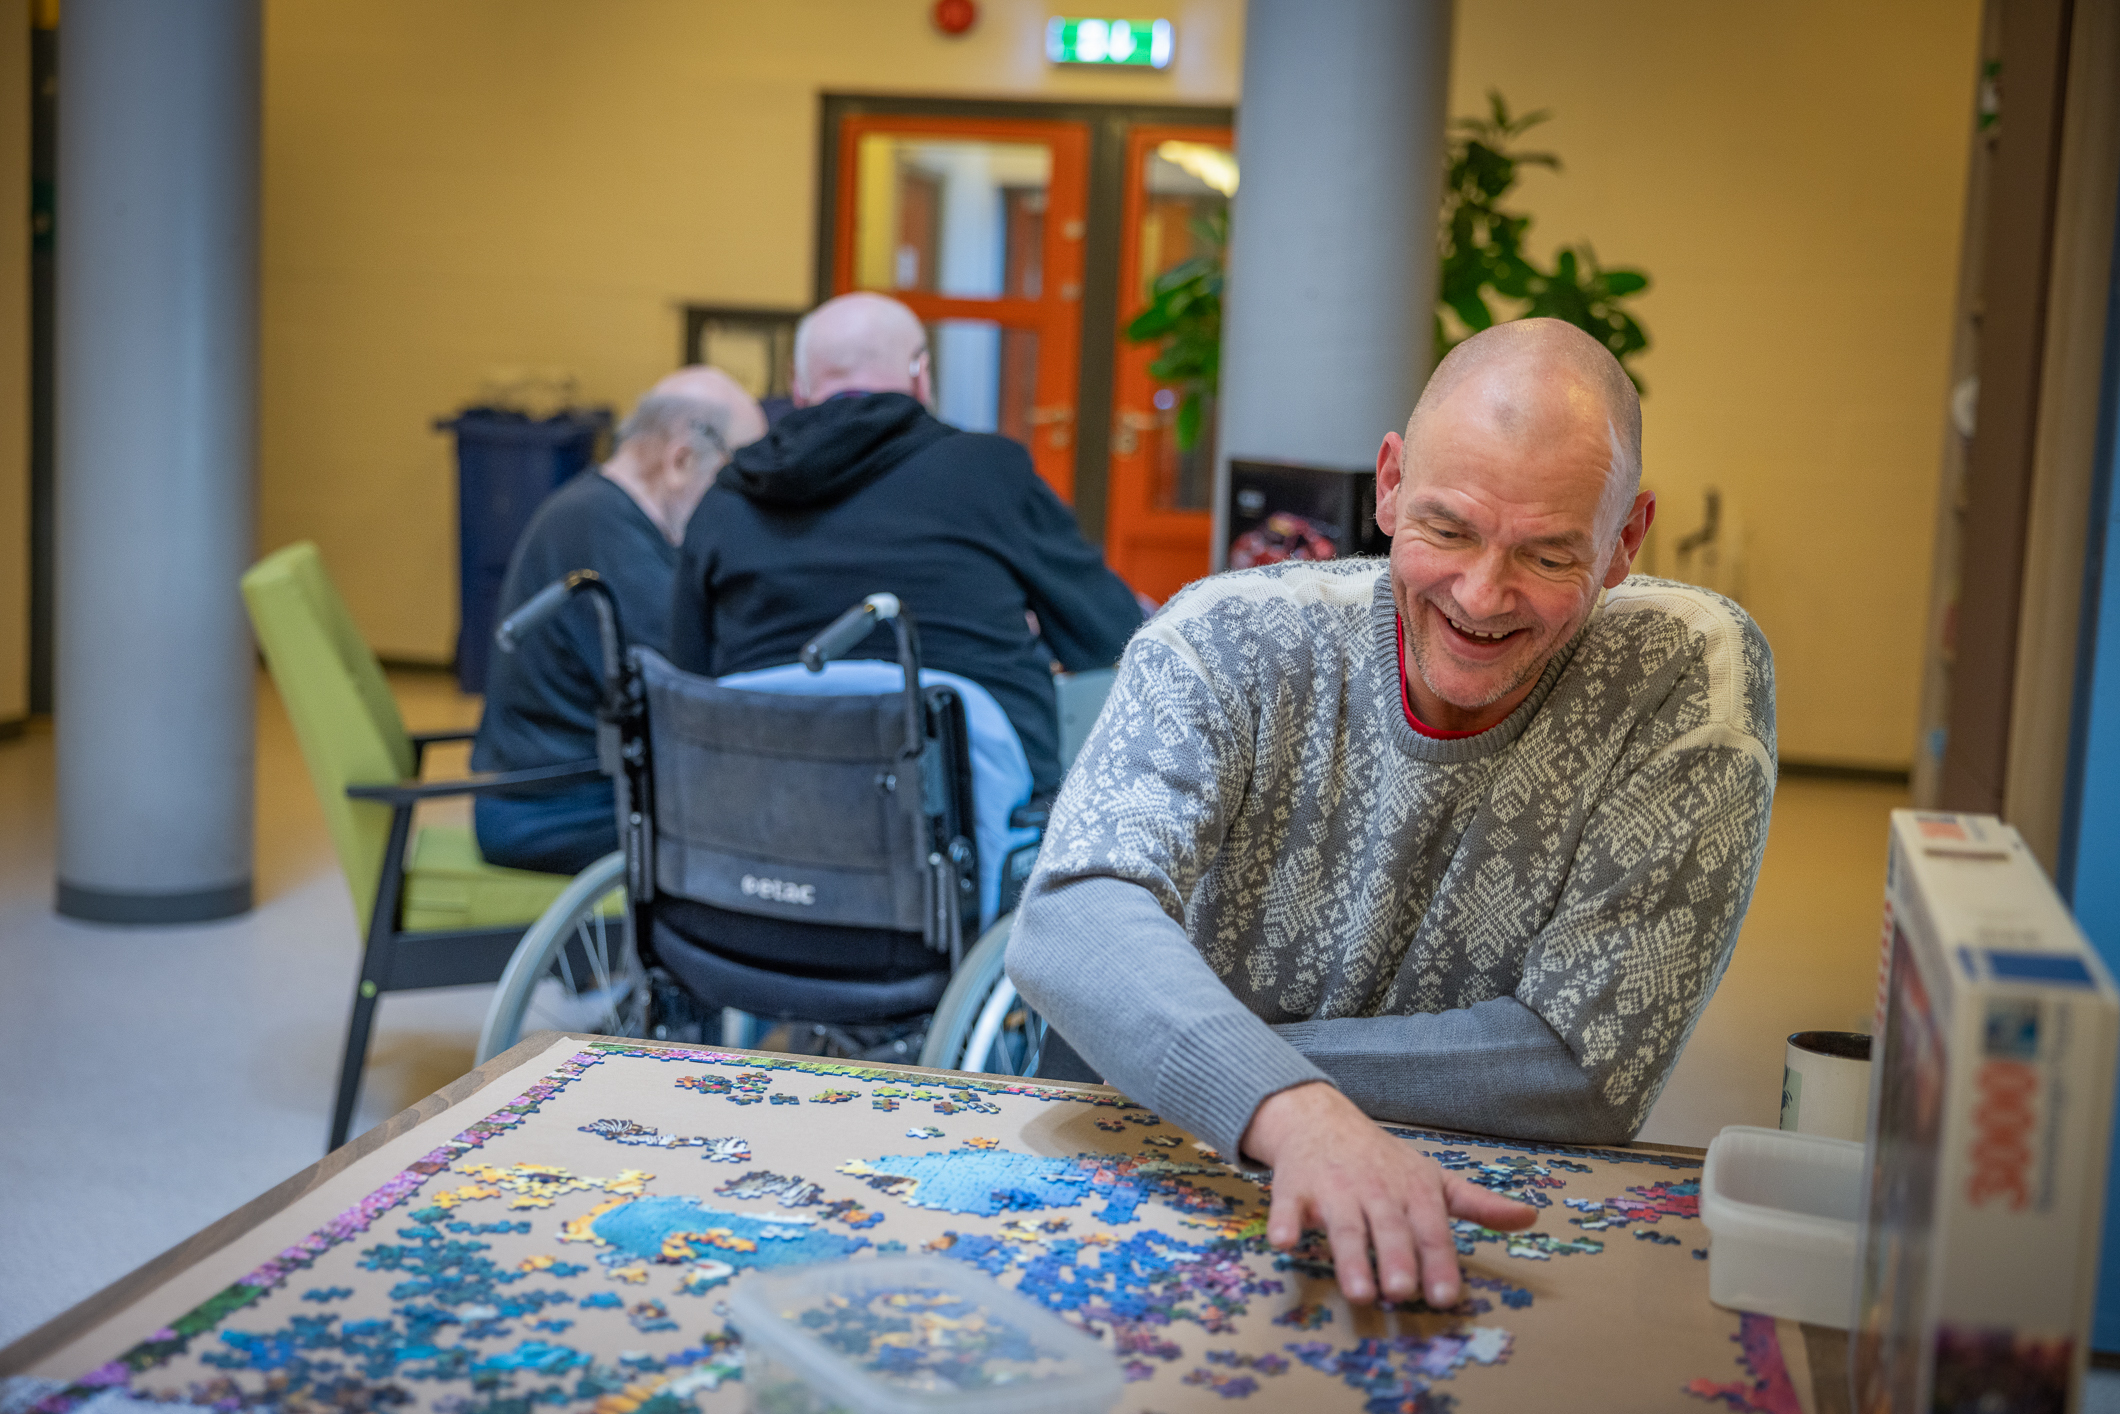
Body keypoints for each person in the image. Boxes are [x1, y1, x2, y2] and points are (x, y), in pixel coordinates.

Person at [1006, 319, 1777, 1311]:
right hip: (1158, 1175)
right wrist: (1288, 1112)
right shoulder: (1223, 636)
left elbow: (1582, 1066)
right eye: (1447, 531)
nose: (1481, 596)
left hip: (1445, 1209)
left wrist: (1223, 1072)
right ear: (1390, 484)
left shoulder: (1686, 675)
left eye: (1548, 556)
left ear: (1625, 539)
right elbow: (1072, 914)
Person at [668, 292, 1142, 799]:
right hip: (975, 821)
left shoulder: (725, 500)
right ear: (921, 374)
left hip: (767, 817)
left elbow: (684, 675)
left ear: (798, 385)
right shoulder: (989, 472)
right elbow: (1106, 633)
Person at [473, 366, 766, 875]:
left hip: (564, 794)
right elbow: (688, 680)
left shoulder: (603, 514)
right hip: (552, 811)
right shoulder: (598, 529)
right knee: (770, 826)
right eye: (742, 474)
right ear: (681, 461)